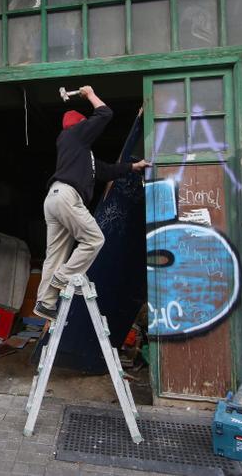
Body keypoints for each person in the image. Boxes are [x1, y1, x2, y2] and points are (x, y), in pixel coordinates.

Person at [34, 86, 150, 321]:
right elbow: (105, 113)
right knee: (95, 239)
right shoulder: (74, 134)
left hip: (54, 199)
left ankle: (45, 303)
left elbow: (106, 170)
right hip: (67, 197)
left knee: (54, 254)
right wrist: (90, 95)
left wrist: (133, 167)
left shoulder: (80, 154)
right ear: (80, 125)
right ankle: (64, 277)